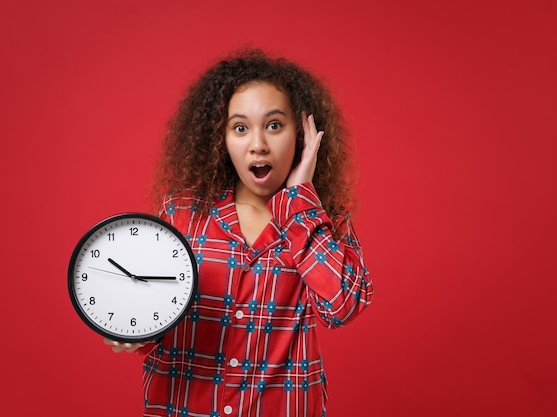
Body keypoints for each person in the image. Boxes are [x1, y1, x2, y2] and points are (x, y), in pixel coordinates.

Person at [104, 49, 373, 417]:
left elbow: (342, 306)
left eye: (275, 125)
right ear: (221, 138)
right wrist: (130, 328)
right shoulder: (183, 214)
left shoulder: (321, 221)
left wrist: (299, 202)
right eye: (240, 127)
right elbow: (151, 309)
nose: (258, 144)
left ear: (302, 134)